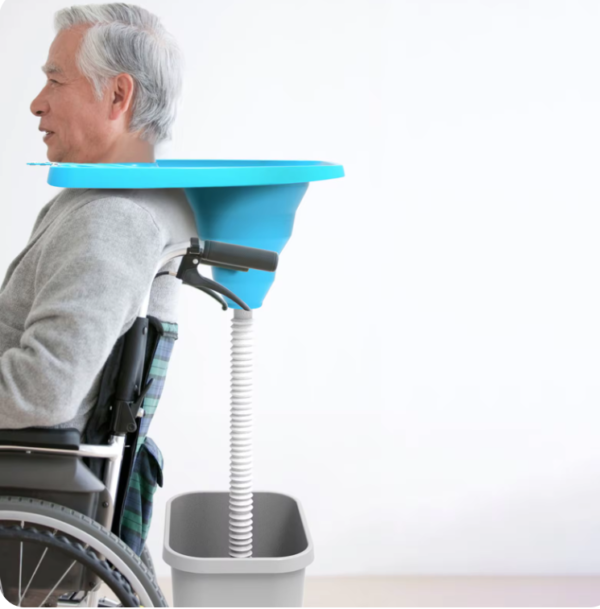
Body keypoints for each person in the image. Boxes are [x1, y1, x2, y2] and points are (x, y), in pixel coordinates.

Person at [0, 3, 198, 431]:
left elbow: (41, 392)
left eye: (55, 79)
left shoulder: (114, 218)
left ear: (117, 96)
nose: (37, 103)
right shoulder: (99, 202)